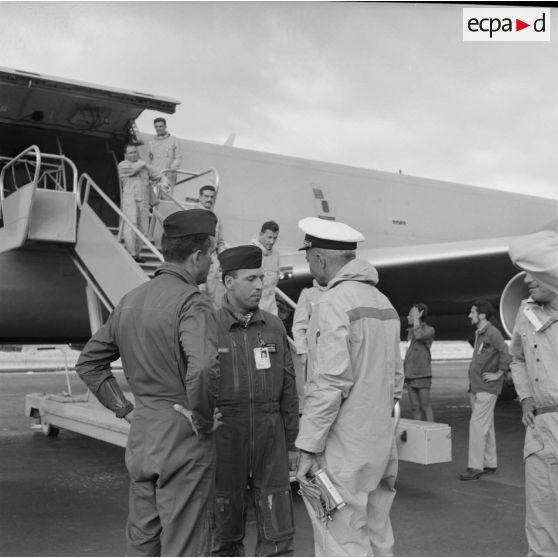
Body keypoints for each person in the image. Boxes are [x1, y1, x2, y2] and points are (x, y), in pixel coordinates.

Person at [75, 209, 220, 556]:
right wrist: (201, 419)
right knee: (184, 543)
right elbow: (202, 368)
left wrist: (124, 409)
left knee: (142, 540)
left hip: (142, 436)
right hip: (182, 436)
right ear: (198, 256)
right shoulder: (192, 302)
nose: (213, 263)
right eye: (212, 255)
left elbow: (89, 362)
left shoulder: (130, 300)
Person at [294, 217, 404, 557]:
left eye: (308, 257)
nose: (308, 264)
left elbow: (329, 381)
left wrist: (308, 447)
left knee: (338, 539)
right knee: (378, 535)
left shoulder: (330, 303)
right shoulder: (384, 302)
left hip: (343, 449)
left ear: (320, 258)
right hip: (380, 444)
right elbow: (395, 379)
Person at [211, 245, 299, 556]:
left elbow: (288, 387)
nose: (260, 286)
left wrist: (291, 443)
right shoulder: (209, 326)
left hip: (270, 434)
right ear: (229, 282)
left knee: (278, 530)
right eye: (251, 279)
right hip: (225, 436)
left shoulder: (273, 326)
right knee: (223, 530)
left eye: (261, 277)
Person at [508, 230, 558, 556]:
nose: (525, 280)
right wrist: (526, 396)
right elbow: (518, 357)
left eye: (533, 272)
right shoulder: (525, 313)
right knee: (540, 524)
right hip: (540, 431)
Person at [459, 300, 511, 481]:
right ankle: (490, 462)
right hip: (478, 387)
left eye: (472, 312)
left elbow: (506, 353)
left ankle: (475, 466)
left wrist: (499, 374)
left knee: (477, 426)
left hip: (486, 388)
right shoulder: (481, 333)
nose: (469, 315)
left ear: (481, 315)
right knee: (486, 426)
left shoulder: (492, 333)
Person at [117, 144, 159, 262]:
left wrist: (145, 165)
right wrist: (143, 163)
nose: (134, 154)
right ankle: (131, 252)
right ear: (125, 155)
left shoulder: (144, 167)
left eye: (135, 152)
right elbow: (133, 170)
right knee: (131, 224)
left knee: (143, 228)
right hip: (130, 199)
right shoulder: (122, 165)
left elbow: (157, 174)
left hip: (144, 200)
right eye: (130, 153)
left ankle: (137, 253)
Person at [196, 184, 228, 307]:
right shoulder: (192, 214)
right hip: (198, 260)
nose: (209, 199)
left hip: (213, 262)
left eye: (212, 197)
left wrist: (223, 258)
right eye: (206, 196)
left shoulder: (217, 218)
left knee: (214, 301)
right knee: (200, 298)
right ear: (200, 197)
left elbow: (220, 242)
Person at [403, 303, 435, 422]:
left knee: (425, 406)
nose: (408, 317)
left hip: (422, 375)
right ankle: (418, 434)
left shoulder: (429, 330)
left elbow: (419, 335)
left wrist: (416, 319)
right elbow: (408, 353)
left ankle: (431, 435)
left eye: (411, 314)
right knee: (415, 408)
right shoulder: (410, 331)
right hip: (410, 375)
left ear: (420, 315)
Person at [292, 279, 327, 370]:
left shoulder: (342, 291)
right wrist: (303, 351)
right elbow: (299, 325)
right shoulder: (308, 294)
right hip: (315, 355)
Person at [251, 221, 281, 316]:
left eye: (275, 238)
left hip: (271, 309)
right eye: (269, 237)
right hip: (253, 308)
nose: (272, 241)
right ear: (261, 235)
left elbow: (275, 283)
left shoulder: (276, 255)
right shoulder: (250, 252)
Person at [148, 117, 182, 193]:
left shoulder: (174, 140)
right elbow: (151, 160)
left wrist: (170, 171)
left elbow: (178, 158)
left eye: (161, 126)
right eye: (156, 127)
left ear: (165, 126)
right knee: (154, 197)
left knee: (167, 196)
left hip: (168, 174)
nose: (158, 128)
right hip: (156, 175)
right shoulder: (151, 142)